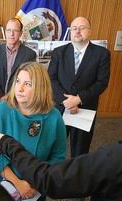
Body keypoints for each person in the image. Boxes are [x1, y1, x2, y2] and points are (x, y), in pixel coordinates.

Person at [0, 62, 67, 201]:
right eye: (18, 81)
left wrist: (36, 181)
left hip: (34, 189)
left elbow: (58, 157)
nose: (19, 89)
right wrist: (17, 183)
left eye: (27, 84)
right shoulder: (1, 110)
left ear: (40, 88)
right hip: (2, 184)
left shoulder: (54, 117)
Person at [0, 132, 122, 201]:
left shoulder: (114, 159)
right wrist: (17, 182)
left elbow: (51, 178)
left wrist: (7, 144)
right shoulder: (1, 110)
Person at [48, 16, 110, 158]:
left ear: (90, 31)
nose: (77, 31)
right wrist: (68, 102)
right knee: (54, 148)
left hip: (85, 108)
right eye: (74, 28)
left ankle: (76, 178)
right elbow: (51, 78)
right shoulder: (59, 52)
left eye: (82, 28)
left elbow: (102, 83)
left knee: (80, 151)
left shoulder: (102, 54)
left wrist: (78, 99)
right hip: (60, 108)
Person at [0, 18, 37, 113]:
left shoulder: (30, 54)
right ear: (5, 32)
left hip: (19, 102)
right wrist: (1, 97)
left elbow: (29, 80)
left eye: (15, 30)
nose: (11, 34)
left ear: (21, 33)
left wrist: (10, 96)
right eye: (9, 30)